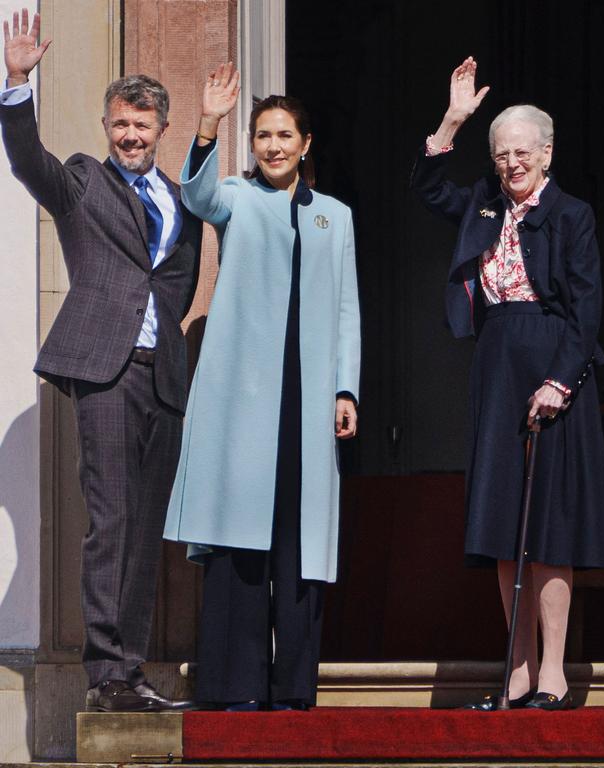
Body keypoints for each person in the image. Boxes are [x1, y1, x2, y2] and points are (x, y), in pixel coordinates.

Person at [0, 9, 201, 712]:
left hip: (161, 376)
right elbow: (31, 164)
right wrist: (17, 83)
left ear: (160, 130)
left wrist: (162, 345)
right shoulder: (84, 181)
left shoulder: (180, 201)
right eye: (121, 122)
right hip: (104, 373)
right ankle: (105, 676)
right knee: (110, 521)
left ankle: (132, 671)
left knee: (145, 531)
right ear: (108, 125)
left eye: (142, 125)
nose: (131, 134)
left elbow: (176, 283)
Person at [411, 57, 604, 711]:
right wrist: (452, 120)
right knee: (503, 522)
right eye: (501, 154)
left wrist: (561, 380)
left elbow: (587, 309)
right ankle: (518, 671)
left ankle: (554, 672)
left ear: (546, 154)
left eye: (521, 152)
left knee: (550, 525)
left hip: (556, 368)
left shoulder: (573, 214)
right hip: (497, 361)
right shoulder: (483, 203)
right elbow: (425, 185)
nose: (510, 164)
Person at [162, 63, 360, 711]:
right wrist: (209, 122)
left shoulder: (335, 216)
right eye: (263, 135)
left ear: (306, 144)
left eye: (284, 135)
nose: (273, 145)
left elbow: (345, 312)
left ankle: (292, 691)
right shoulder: (237, 198)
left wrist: (345, 389)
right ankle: (235, 688)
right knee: (241, 544)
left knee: (298, 547)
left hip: (308, 404)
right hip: (245, 404)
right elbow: (196, 197)